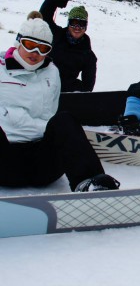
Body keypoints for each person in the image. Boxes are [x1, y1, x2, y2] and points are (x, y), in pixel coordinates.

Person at [0, 17, 119, 192]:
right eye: (29, 44)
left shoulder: (52, 72)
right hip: (5, 160)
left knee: (64, 120)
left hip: (42, 165)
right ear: (18, 41)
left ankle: (92, 185)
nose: (35, 53)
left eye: (43, 49)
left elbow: (50, 118)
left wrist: (16, 120)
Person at [39, 0, 97, 92]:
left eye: (81, 24)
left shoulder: (88, 55)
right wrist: (53, 1)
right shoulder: (56, 35)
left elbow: (87, 88)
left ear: (86, 27)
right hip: (42, 86)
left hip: (65, 94)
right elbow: (44, 18)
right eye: (73, 23)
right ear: (68, 23)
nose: (77, 28)